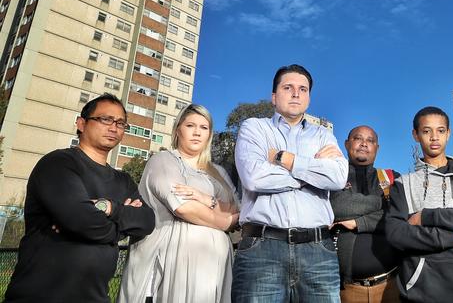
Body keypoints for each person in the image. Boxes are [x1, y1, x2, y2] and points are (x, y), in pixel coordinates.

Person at [4, 93, 155, 303]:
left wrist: (110, 208)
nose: (114, 127)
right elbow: (83, 221)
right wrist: (122, 225)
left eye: (120, 123)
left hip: (96, 297)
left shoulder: (124, 181)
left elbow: (147, 221)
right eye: (105, 119)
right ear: (81, 124)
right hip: (41, 295)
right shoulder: (58, 163)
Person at [232, 64, 348, 302]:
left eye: (303, 89)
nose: (296, 93)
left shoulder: (323, 135)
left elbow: (337, 177)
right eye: (288, 87)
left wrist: (283, 159)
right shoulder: (254, 128)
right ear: (274, 97)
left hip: (318, 252)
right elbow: (254, 177)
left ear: (308, 97)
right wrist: (311, 175)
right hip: (262, 249)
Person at [119, 104, 239, 303]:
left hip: (213, 274)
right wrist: (225, 220)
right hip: (168, 271)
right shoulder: (164, 160)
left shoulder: (219, 172)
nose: (197, 133)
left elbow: (240, 211)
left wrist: (206, 199)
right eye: (190, 125)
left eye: (204, 127)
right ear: (177, 130)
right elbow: (184, 207)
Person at [385, 106, 453, 303]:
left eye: (440, 130)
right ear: (416, 135)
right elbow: (396, 233)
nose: (434, 137)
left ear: (448, 133)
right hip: (419, 292)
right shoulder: (404, 184)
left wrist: (426, 216)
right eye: (426, 131)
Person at [330, 125, 401, 302]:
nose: (364, 144)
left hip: (391, 285)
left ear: (377, 148)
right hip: (347, 289)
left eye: (370, 140)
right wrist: (384, 203)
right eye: (358, 138)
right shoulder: (333, 176)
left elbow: (399, 216)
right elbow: (339, 206)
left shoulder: (391, 177)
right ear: (346, 144)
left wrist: (358, 223)